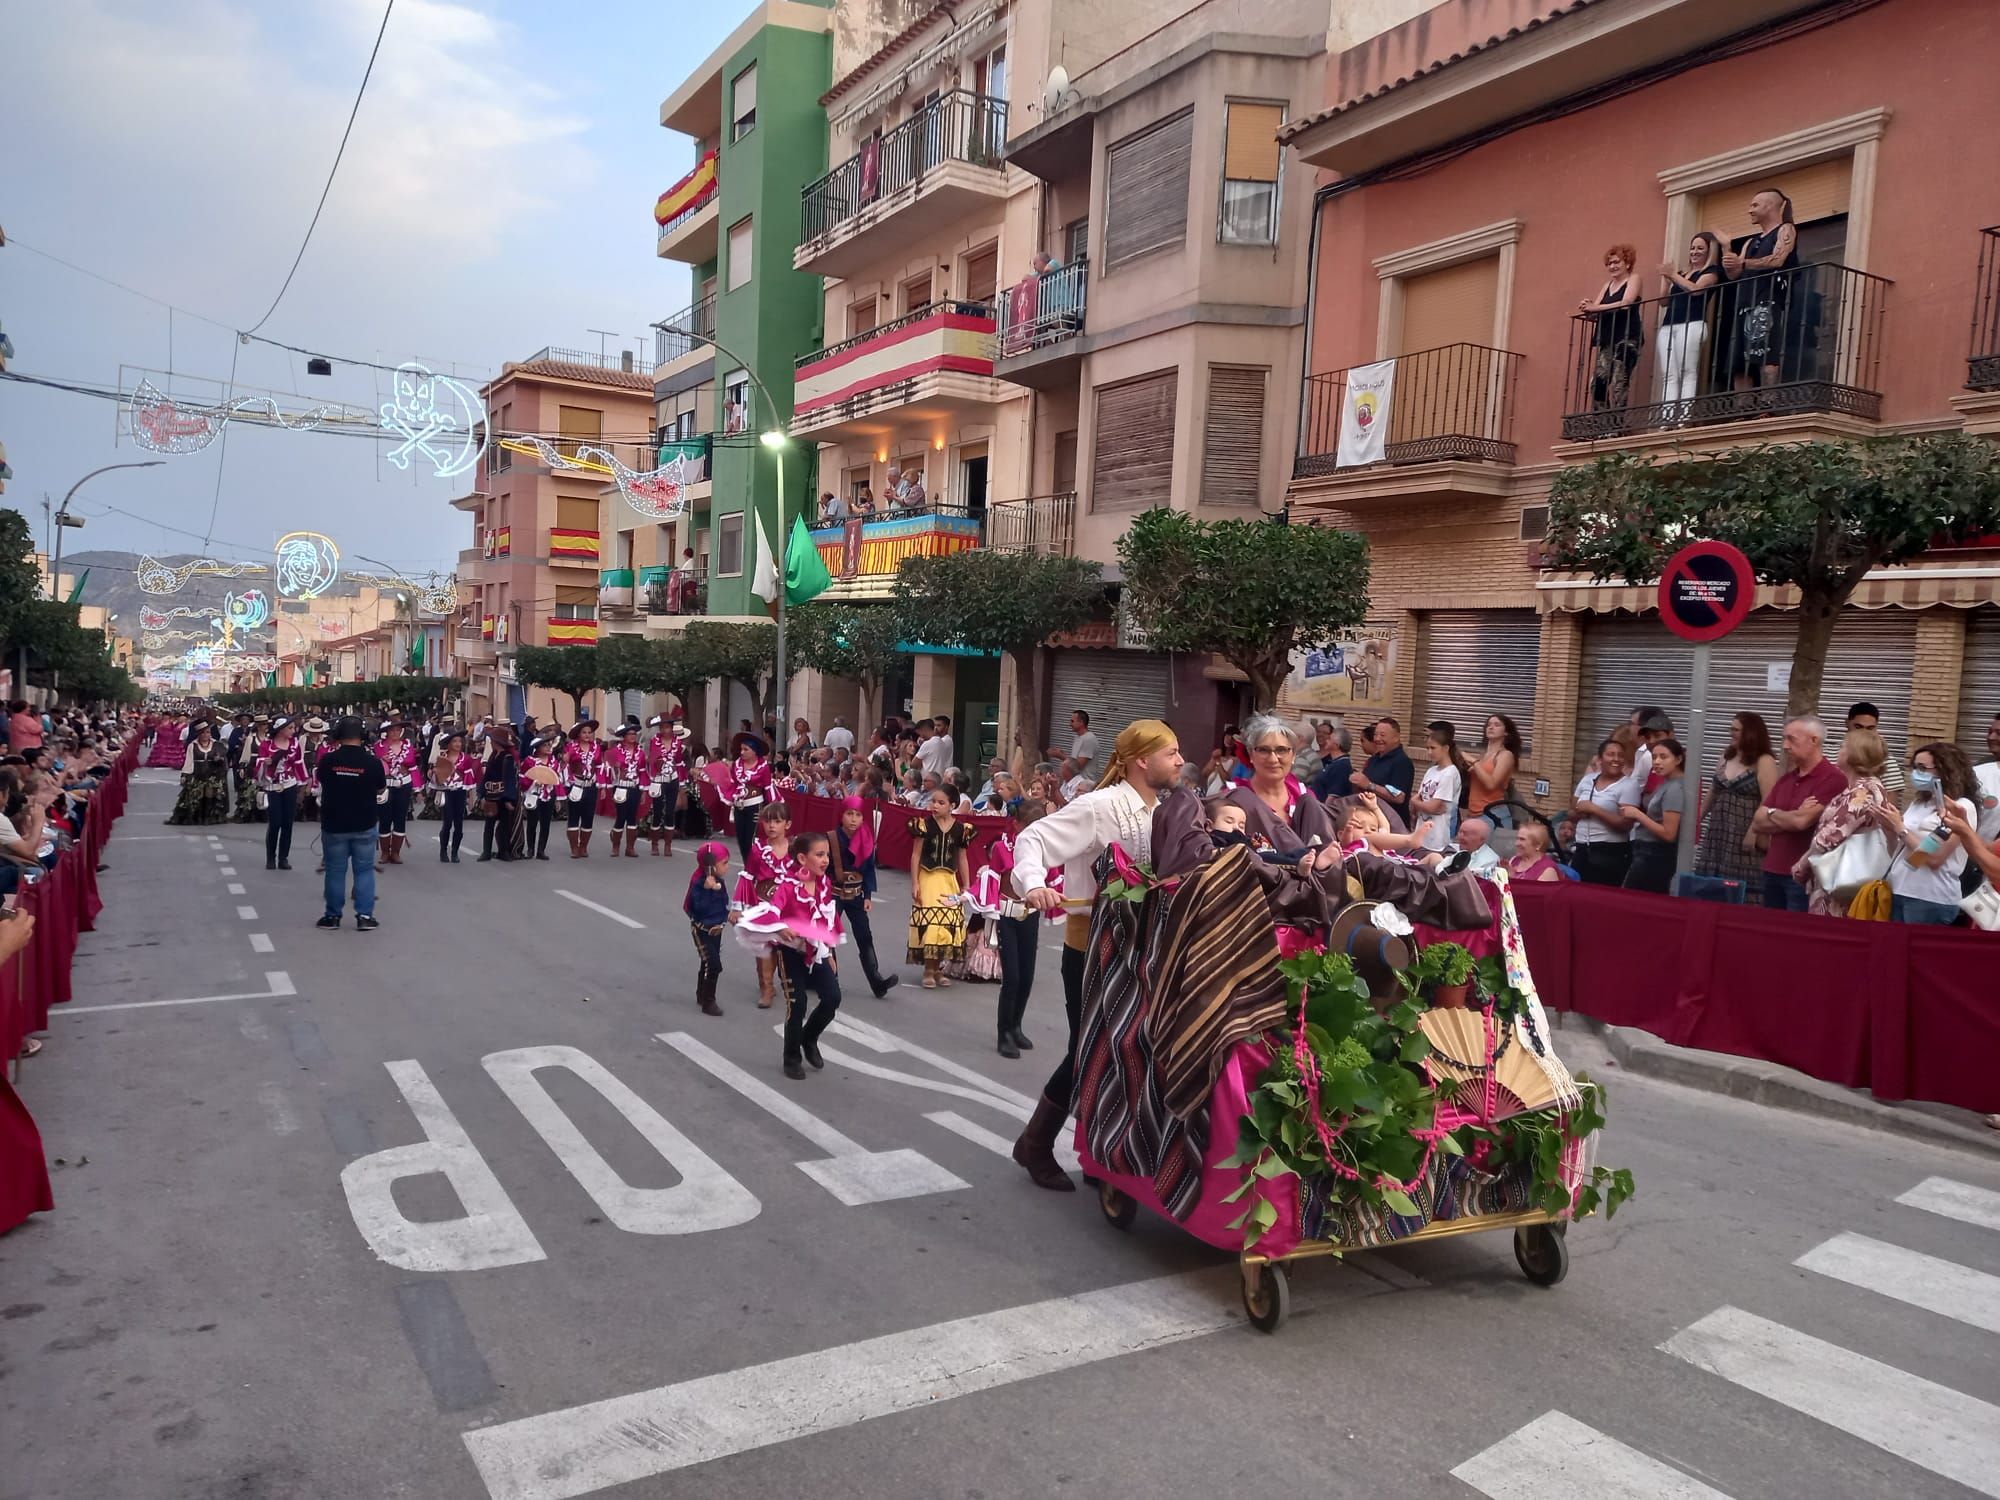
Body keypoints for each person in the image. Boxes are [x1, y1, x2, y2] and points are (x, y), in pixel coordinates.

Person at [1007, 719, 1185, 1192]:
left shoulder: (1167, 810)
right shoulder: (1099, 806)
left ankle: (1098, 1151)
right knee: (1087, 1052)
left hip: (1144, 948)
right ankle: (1035, 1143)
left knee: (1128, 1051)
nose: (1181, 760)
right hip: (1091, 950)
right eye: (1171, 752)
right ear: (1142, 760)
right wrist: (1035, 884)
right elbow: (1033, 840)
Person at [738, 831, 846, 1081]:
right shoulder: (788, 887)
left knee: (832, 998)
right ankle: (791, 1057)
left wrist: (828, 951)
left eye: (827, 855)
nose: (825, 860)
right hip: (790, 953)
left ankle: (809, 1038)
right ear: (801, 858)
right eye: (819, 855)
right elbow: (772, 912)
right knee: (797, 1004)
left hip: (816, 951)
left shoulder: (825, 884)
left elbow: (827, 919)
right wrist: (780, 927)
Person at [1792, 727, 1892, 918]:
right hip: (1839, 877)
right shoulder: (1860, 787)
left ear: (1855, 755)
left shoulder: (1863, 791)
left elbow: (1830, 835)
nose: (1839, 750)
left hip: (1841, 880)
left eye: (1844, 746)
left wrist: (1802, 864)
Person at [1876, 743, 1978, 925]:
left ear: (1945, 771)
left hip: (1930, 898)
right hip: (1899, 889)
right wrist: (1890, 828)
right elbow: (1905, 854)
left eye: (1923, 768)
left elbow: (1934, 858)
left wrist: (1901, 828)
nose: (1916, 773)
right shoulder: (1919, 803)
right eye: (1914, 767)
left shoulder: (1961, 807)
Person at [1755, 714, 1849, 912]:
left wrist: (1773, 814)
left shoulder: (1833, 779)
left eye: (1791, 739)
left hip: (1802, 875)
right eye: (1783, 739)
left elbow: (1802, 823)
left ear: (1814, 740)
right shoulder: (1787, 779)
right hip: (1772, 869)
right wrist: (1791, 814)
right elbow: (1757, 822)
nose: (1785, 746)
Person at [1694, 711, 1779, 904]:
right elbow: (1713, 792)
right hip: (1719, 828)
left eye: (1736, 730)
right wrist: (1696, 820)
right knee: (1712, 883)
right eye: (1730, 729)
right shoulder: (1726, 756)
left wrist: (1754, 831)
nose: (1731, 733)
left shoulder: (1764, 761)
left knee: (1741, 884)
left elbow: (1769, 799)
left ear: (1750, 733)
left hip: (1744, 827)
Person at [987, 798, 1049, 1058]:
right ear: (1017, 824)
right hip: (1008, 914)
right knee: (1011, 977)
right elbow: (992, 881)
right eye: (1030, 828)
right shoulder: (1002, 848)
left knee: (1027, 976)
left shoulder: (1043, 850)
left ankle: (1016, 1025)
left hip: (1030, 914)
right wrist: (988, 911)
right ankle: (1003, 1033)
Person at [1721, 187, 1800, 390]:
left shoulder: (1786, 229)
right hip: (1745, 304)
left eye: (1755, 205)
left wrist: (1743, 263)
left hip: (1769, 302)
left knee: (1768, 356)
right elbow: (1734, 274)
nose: (1750, 210)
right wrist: (1726, 250)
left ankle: (1768, 406)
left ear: (1770, 205)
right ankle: (1743, 410)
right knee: (1739, 362)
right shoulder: (1750, 242)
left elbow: (1777, 259)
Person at [316, 717, 386, 930]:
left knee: (335, 871)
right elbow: (381, 789)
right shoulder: (372, 762)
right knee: (364, 870)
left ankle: (332, 916)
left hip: (334, 823)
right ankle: (364, 916)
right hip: (364, 823)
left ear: (337, 735)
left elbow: (322, 781)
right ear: (363, 736)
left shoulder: (328, 761)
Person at [829, 795, 898, 999]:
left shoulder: (866, 838)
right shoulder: (831, 838)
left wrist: (868, 896)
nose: (853, 819)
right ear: (841, 816)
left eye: (858, 815)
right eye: (849, 814)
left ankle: (876, 981)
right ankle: (830, 980)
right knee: (829, 936)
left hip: (857, 895)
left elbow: (868, 870)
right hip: (833, 894)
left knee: (864, 936)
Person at [1655, 231, 1726, 419]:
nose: (1695, 252)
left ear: (1709, 251)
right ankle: (1667, 418)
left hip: (1692, 324)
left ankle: (1684, 417)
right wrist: (1666, 277)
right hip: (1669, 325)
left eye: (1700, 248)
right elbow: (1663, 301)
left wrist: (1673, 276)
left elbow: (1695, 290)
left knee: (1688, 370)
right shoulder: (1680, 274)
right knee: (1669, 374)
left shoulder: (1712, 272)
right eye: (1692, 248)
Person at [909, 788, 971, 987]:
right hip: (928, 878)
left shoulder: (962, 829)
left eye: (941, 802)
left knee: (947, 925)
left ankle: (938, 969)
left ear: (952, 805)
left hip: (949, 880)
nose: (935, 805)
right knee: (932, 924)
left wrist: (967, 885)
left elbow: (962, 858)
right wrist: (915, 882)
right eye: (933, 801)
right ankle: (928, 968)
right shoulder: (924, 826)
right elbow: (916, 855)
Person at [741, 802, 794, 1009]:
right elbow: (748, 876)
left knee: (787, 945)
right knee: (764, 945)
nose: (772, 826)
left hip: (788, 903)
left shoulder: (795, 848)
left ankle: (787, 981)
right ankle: (766, 988)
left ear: (787, 824)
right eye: (768, 821)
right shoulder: (757, 850)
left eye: (777, 821)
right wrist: (742, 905)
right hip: (763, 901)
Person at [1581, 243, 1643, 413]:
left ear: (1627, 263)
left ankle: (1617, 425)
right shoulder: (1607, 286)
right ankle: (1603, 423)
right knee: (1597, 383)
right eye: (1609, 263)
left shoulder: (1633, 279)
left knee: (1619, 381)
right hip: (1608, 339)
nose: (1613, 266)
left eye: (1617, 262)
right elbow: (1596, 310)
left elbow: (1626, 303)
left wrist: (1595, 307)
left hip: (1627, 337)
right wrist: (1587, 308)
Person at [1621, 736, 1688, 893]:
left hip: (1655, 855)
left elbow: (1669, 833)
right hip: (1647, 852)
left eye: (1663, 757)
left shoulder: (1675, 789)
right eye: (1654, 757)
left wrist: (1638, 815)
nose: (1657, 762)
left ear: (1678, 759)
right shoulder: (1667, 783)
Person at [1569, 736, 1637, 885]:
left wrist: (1594, 809)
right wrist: (1579, 812)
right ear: (1600, 759)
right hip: (1582, 848)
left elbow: (1625, 824)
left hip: (1609, 852)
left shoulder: (1629, 785)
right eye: (1610, 754)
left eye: (1620, 755)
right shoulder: (1588, 780)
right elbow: (1571, 812)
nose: (1616, 759)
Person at [683, 842, 731, 1017]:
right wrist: (706, 890)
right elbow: (699, 909)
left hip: (716, 929)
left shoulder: (720, 882)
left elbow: (722, 903)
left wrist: (728, 916)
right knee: (714, 965)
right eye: (724, 863)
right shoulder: (699, 884)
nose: (727, 867)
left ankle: (701, 994)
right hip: (702, 930)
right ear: (710, 866)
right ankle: (709, 1001)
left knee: (707, 962)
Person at [256, 716, 308, 872]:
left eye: (294, 728)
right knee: (275, 823)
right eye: (290, 728)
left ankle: (283, 858)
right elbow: (258, 763)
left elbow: (299, 763)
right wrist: (266, 763)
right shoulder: (267, 745)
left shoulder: (294, 744)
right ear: (280, 730)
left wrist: (303, 783)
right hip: (273, 787)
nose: (294, 731)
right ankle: (270, 858)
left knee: (288, 824)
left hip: (289, 785)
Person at [373, 720, 424, 867]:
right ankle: (384, 852)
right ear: (387, 732)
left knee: (400, 819)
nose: (395, 733)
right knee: (385, 819)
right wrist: (382, 761)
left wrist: (418, 790)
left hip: (403, 786)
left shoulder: (408, 746)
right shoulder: (378, 747)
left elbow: (413, 768)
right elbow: (373, 766)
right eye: (392, 730)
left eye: (398, 730)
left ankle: (396, 852)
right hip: (385, 787)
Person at [1410, 723, 1463, 856]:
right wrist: (1418, 803)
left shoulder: (1450, 773)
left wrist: (1419, 803)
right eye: (1427, 748)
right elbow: (1418, 798)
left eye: (1433, 748)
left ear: (1445, 748)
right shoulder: (1431, 770)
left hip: (1439, 834)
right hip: (1423, 830)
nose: (1429, 752)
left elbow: (1433, 807)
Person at [1351, 715, 1414, 825]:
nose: (1377, 739)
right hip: (1368, 821)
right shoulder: (1374, 759)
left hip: (1392, 824)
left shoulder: (1402, 762)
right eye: (1376, 735)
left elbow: (1399, 796)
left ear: (1396, 738)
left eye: (1382, 735)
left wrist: (1370, 785)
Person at [166, 719, 230, 825]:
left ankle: (207, 816)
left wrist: (219, 759)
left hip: (212, 775)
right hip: (197, 774)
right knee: (197, 793)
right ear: (199, 734)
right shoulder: (193, 745)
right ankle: (198, 816)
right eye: (203, 733)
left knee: (210, 790)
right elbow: (189, 761)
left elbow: (224, 758)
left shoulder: (217, 745)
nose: (205, 735)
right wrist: (185, 775)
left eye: (208, 732)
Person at [1466, 713, 1522, 827]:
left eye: (1497, 725)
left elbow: (1491, 784)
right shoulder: (1484, 756)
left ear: (1506, 732)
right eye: (1489, 725)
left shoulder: (1505, 755)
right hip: (1474, 814)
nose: (1491, 727)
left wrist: (1473, 762)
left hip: (1493, 814)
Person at [644, 718, 689, 857]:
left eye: (668, 727)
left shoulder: (678, 742)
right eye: (662, 727)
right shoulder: (654, 741)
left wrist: (682, 783)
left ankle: (668, 846)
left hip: (673, 779)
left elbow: (680, 763)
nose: (665, 730)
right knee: (657, 811)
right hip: (658, 779)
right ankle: (655, 844)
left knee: (670, 812)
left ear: (672, 728)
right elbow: (650, 761)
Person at [1842, 701, 1906, 799]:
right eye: (1858, 727)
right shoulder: (1829, 753)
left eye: (1870, 728)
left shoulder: (1884, 758)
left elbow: (1890, 805)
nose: (1863, 732)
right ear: (1847, 723)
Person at [562, 719, 606, 859]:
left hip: (591, 786)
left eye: (589, 732)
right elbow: (564, 765)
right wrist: (565, 759)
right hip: (575, 784)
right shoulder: (570, 747)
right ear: (578, 734)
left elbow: (600, 768)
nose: (587, 735)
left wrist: (602, 786)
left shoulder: (597, 747)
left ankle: (583, 846)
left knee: (588, 817)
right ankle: (574, 847)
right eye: (584, 732)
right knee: (574, 816)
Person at [477, 724, 521, 863]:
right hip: (491, 795)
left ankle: (504, 851)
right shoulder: (493, 756)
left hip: (502, 796)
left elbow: (510, 778)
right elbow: (486, 777)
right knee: (489, 824)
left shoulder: (507, 757)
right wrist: (482, 793)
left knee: (504, 825)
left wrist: (508, 798)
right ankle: (486, 851)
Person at [517, 729, 561, 861]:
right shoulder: (530, 761)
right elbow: (522, 778)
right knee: (532, 822)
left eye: (550, 744)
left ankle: (541, 850)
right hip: (534, 794)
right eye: (545, 745)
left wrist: (558, 799)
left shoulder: (554, 762)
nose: (548, 747)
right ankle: (530, 849)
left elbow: (558, 781)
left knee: (546, 823)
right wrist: (533, 782)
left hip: (549, 795)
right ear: (538, 748)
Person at [431, 730, 475, 864]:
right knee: (447, 822)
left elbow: (470, 779)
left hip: (460, 792)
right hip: (446, 792)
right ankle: (443, 851)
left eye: (459, 741)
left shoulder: (466, 759)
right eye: (454, 741)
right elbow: (435, 778)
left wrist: (471, 798)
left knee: (459, 824)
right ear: (449, 744)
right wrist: (435, 773)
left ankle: (455, 852)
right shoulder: (442, 757)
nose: (458, 744)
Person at [606, 723, 647, 858]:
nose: (633, 736)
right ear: (624, 736)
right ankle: (615, 846)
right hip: (620, 786)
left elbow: (642, 771)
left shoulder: (640, 752)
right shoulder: (616, 751)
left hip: (634, 786)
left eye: (634, 734)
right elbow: (608, 766)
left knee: (632, 817)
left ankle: (630, 847)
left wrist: (644, 790)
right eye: (630, 734)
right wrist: (616, 767)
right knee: (621, 816)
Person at [1309, 722, 1354, 799]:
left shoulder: (1342, 766)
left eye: (1329, 739)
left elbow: (1334, 795)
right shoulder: (1334, 762)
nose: (1326, 740)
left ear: (1337, 745)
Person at [1068, 710, 1099, 779]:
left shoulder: (1089, 739)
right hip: (1076, 781)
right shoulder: (1078, 737)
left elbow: (1078, 765)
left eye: (1072, 721)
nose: (1070, 724)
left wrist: (1061, 755)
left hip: (1084, 783)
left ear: (1081, 722)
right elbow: (1073, 761)